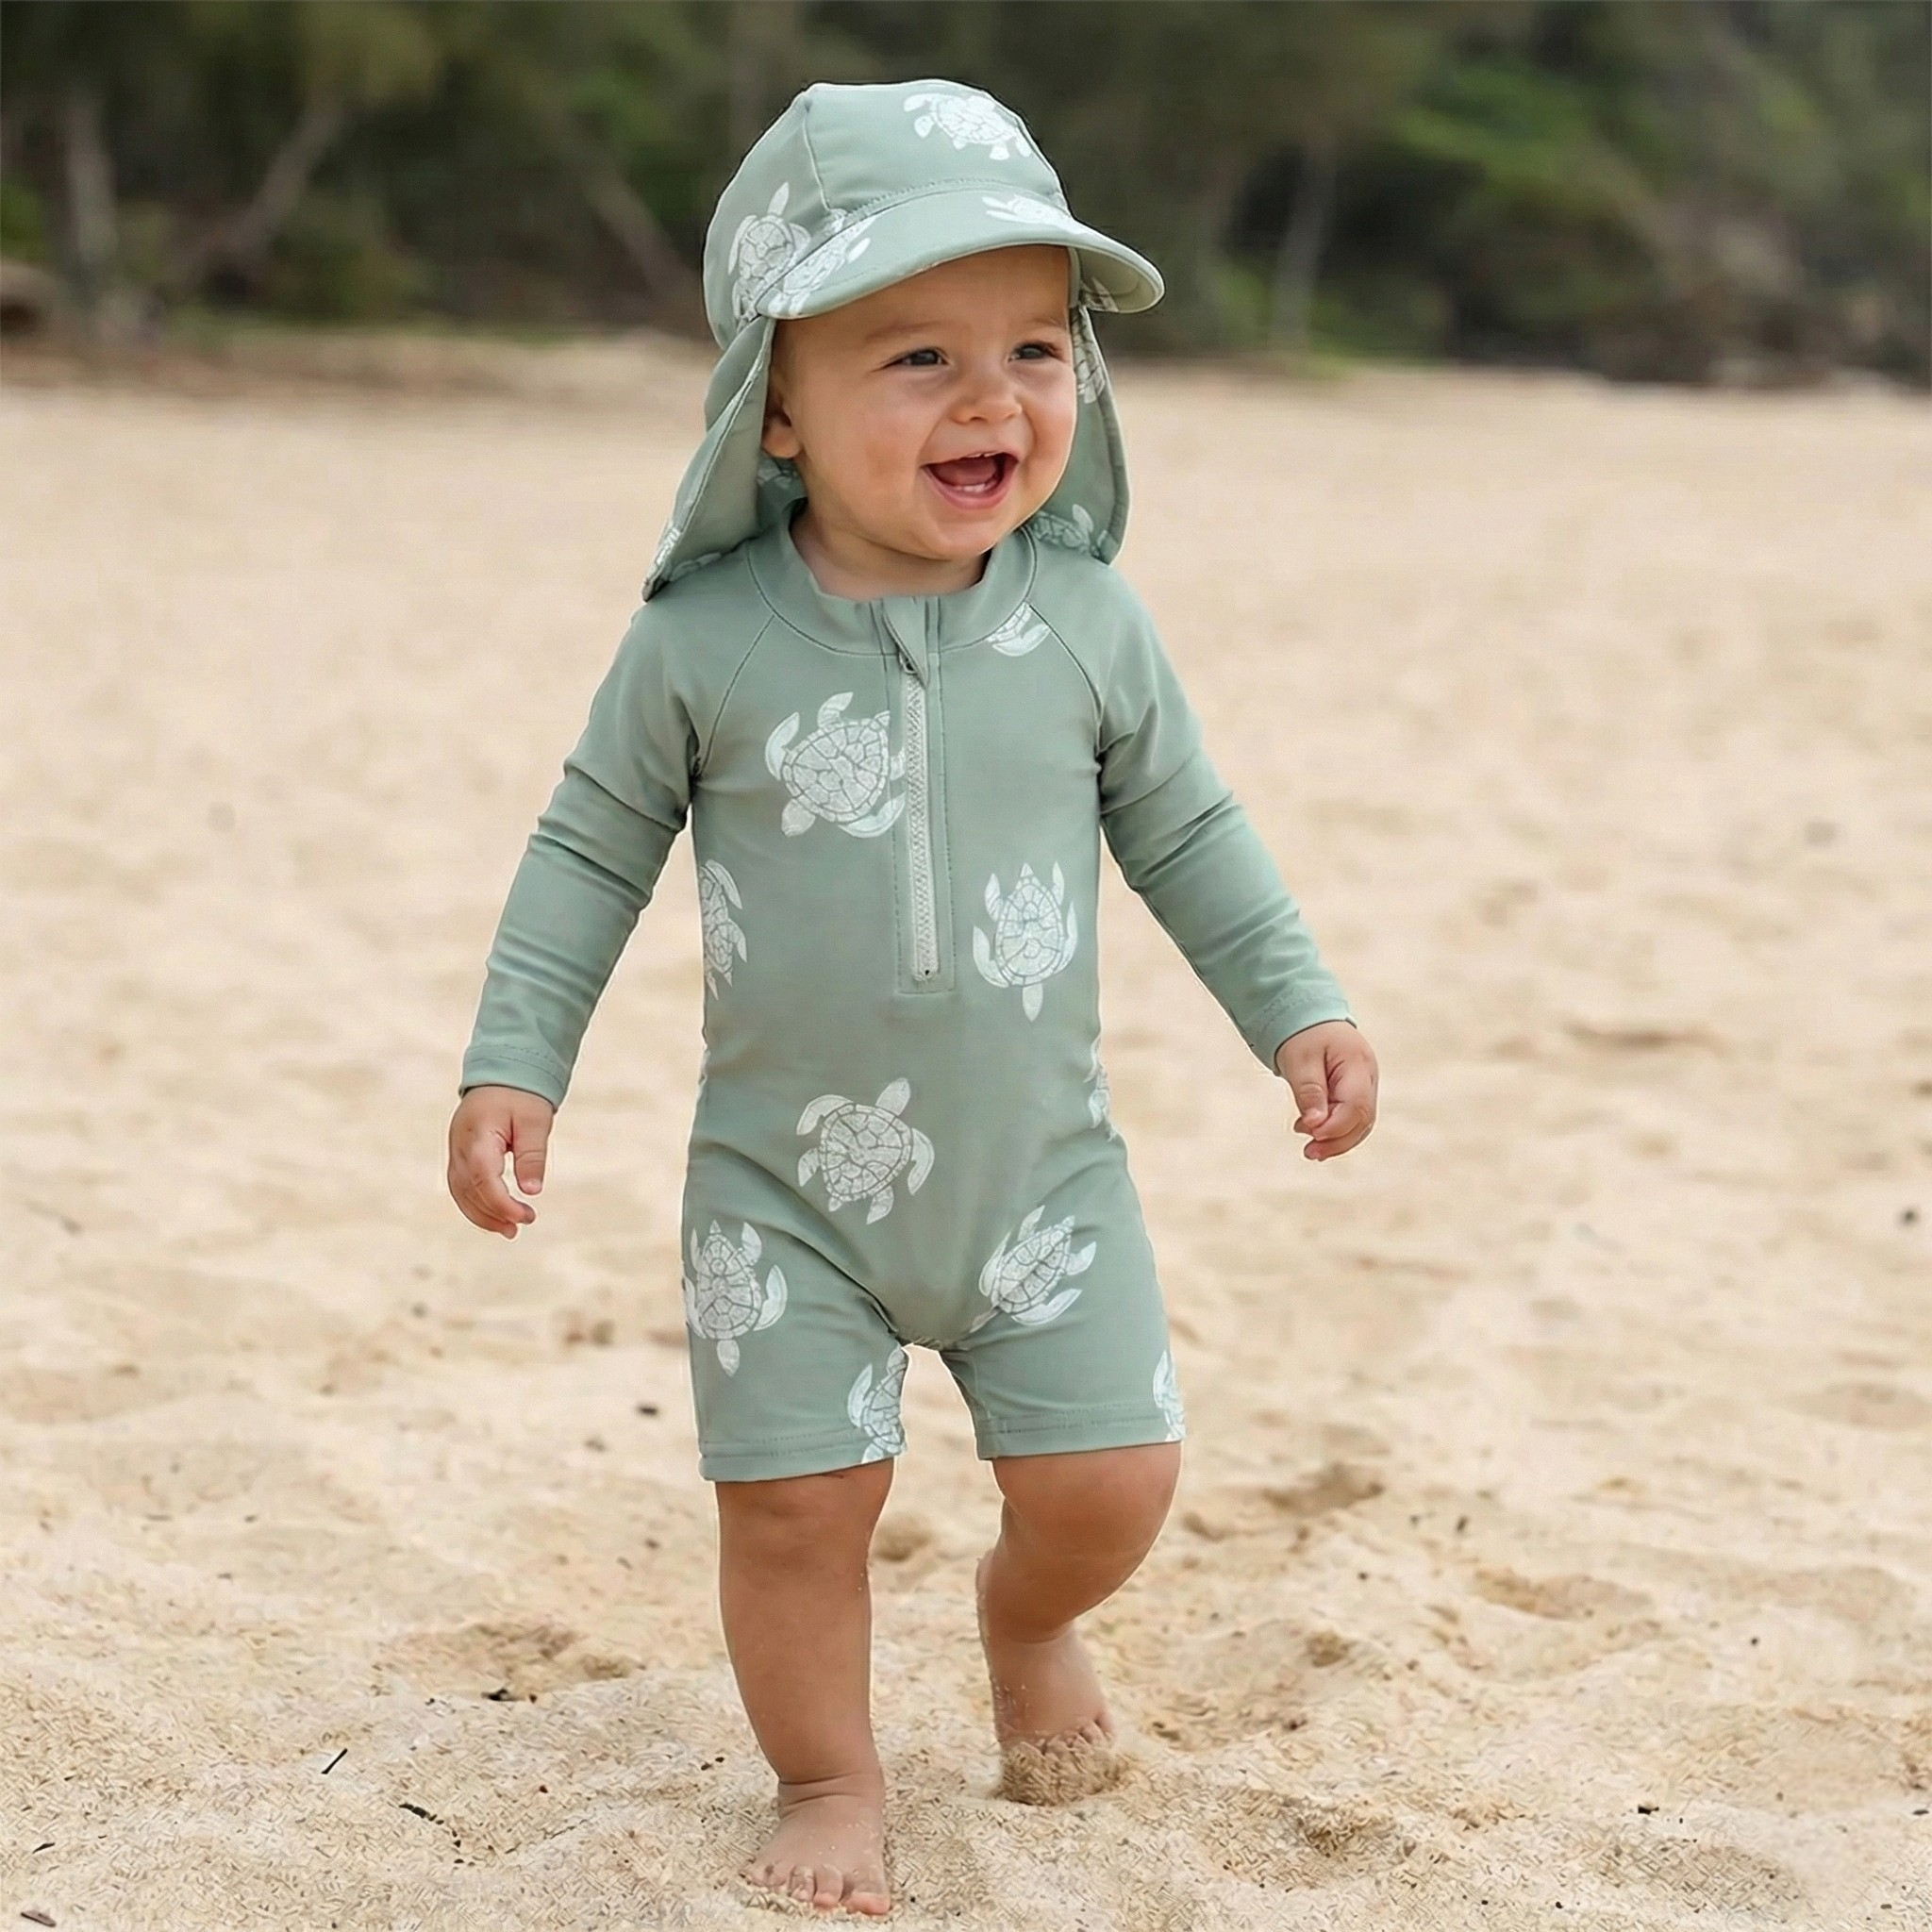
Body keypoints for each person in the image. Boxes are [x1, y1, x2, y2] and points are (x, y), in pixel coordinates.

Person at [446, 77, 1378, 1918]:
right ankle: (829, 1768)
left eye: (1038, 346)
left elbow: (1188, 829)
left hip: (1044, 1181)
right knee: (794, 1512)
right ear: (773, 408)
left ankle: (1025, 1628)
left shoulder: (1089, 624)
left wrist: (1299, 1005)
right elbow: (584, 852)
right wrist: (512, 1062)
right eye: (917, 354)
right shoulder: (699, 643)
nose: (992, 397)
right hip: (782, 1196)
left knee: (1111, 1481)